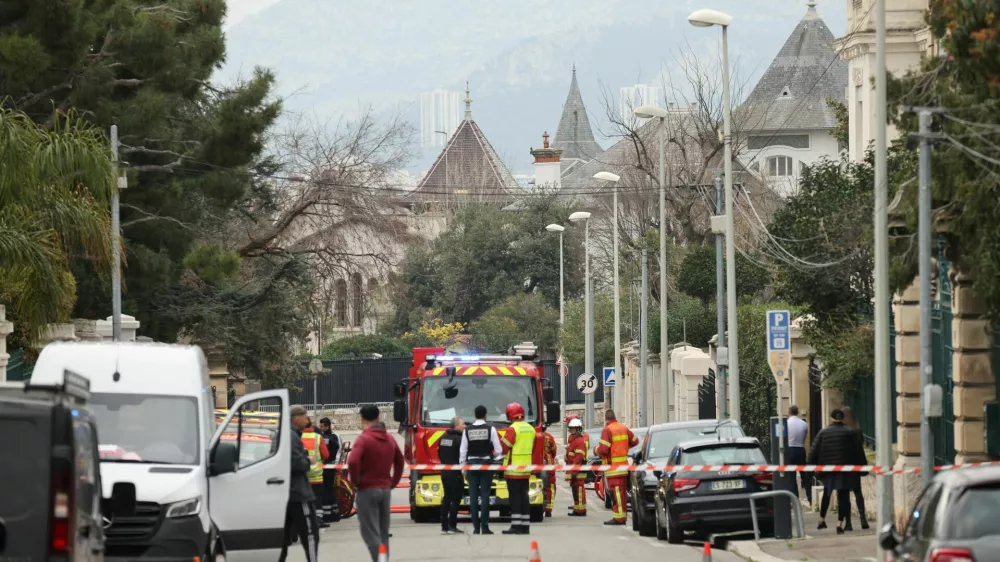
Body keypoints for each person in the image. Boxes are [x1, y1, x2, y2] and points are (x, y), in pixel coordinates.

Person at [348, 404, 405, 561]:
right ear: (379, 417)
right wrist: (393, 482)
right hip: (385, 489)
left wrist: (355, 481)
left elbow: (352, 462)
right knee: (383, 532)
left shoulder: (363, 439)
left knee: (370, 532)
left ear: (361, 419)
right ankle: (383, 558)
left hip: (367, 489)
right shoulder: (390, 439)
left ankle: (378, 560)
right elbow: (400, 461)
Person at [808, 408, 860, 534]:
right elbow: (858, 451)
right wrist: (860, 469)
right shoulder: (850, 432)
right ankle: (839, 524)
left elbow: (813, 452)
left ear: (831, 418)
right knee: (843, 496)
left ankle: (821, 520)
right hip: (845, 470)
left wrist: (812, 467)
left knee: (827, 494)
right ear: (842, 418)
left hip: (828, 470)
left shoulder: (823, 432)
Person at [278, 405, 319, 562]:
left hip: (287, 492)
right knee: (310, 534)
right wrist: (308, 461)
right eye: (305, 416)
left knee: (283, 537)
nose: (307, 420)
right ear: (296, 418)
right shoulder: (291, 436)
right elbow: (297, 463)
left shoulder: (289, 434)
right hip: (298, 493)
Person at [498, 402, 543, 535]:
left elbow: (503, 448)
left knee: (515, 499)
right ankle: (525, 526)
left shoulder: (513, 429)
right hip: (526, 469)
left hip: (513, 470)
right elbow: (534, 447)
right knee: (524, 497)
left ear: (510, 415)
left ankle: (516, 526)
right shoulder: (530, 429)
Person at [459, 404, 503, 535]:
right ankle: (485, 527)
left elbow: (463, 450)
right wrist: (492, 457)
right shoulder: (491, 429)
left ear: (475, 415)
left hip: (471, 464)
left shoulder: (468, 430)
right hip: (486, 464)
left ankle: (476, 527)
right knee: (485, 495)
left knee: (473, 496)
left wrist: (463, 467)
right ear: (486, 415)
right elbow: (499, 450)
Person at [594, 409, 638, 526]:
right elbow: (635, 441)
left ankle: (619, 518)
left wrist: (595, 450)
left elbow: (603, 450)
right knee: (622, 492)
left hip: (613, 468)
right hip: (623, 467)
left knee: (616, 493)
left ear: (606, 419)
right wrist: (624, 447)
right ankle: (621, 516)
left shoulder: (607, 430)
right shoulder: (623, 428)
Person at [841, 406, 869, 530]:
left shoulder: (841, 431)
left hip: (843, 466)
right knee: (858, 493)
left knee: (845, 495)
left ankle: (848, 523)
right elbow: (860, 448)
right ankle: (863, 518)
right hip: (855, 466)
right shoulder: (857, 431)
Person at [437, 416, 465, 534]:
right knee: (456, 499)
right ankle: (452, 525)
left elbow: (439, 453)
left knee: (446, 498)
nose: (464, 426)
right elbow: (462, 455)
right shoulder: (459, 439)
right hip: (456, 473)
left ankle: (444, 526)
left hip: (445, 472)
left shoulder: (443, 437)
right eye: (462, 424)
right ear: (456, 426)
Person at [301, 419, 330, 529]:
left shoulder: (298, 437)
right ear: (312, 427)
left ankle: (305, 519)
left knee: (303, 498)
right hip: (316, 474)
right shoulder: (318, 437)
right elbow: (326, 455)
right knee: (317, 497)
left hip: (303, 474)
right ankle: (318, 519)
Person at [785, 405, 812, 505]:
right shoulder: (804, 424)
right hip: (801, 449)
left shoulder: (786, 423)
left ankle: (795, 499)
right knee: (804, 474)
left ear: (789, 412)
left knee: (791, 476)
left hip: (790, 449)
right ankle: (810, 497)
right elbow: (805, 437)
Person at [564, 416, 589, 516]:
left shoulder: (579, 441)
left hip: (577, 471)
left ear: (578, 429)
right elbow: (570, 455)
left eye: (573, 428)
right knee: (575, 488)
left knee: (579, 489)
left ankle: (580, 510)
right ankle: (577, 508)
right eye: (570, 428)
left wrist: (574, 471)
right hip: (573, 469)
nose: (571, 430)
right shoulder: (573, 440)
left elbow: (578, 458)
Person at [318, 417, 341, 523]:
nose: (320, 428)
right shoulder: (333, 437)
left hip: (327, 466)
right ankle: (334, 513)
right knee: (329, 490)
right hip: (329, 466)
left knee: (326, 491)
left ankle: (327, 515)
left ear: (327, 426)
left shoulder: (327, 437)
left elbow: (330, 452)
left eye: (322, 426)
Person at [542, 429, 557, 517]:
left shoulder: (532, 435)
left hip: (536, 465)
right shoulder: (549, 437)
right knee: (550, 488)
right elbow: (554, 450)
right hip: (549, 465)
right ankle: (548, 510)